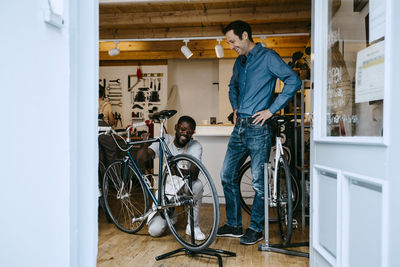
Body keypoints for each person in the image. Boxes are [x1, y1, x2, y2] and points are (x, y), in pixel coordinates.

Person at [217, 20, 301, 245]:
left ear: (245, 36)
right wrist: (235, 107)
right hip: (240, 127)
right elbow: (232, 87)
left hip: (258, 129)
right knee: (227, 175)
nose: (231, 45)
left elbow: (294, 81)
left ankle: (256, 228)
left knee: (257, 183)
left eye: (233, 41)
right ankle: (234, 225)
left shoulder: (268, 57)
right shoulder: (239, 62)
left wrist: (271, 110)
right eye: (229, 42)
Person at [136, 115, 206, 241]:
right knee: (154, 231)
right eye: (183, 129)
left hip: (185, 186)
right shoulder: (165, 140)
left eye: (190, 132)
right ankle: (171, 213)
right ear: (176, 127)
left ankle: (193, 226)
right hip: (167, 189)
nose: (186, 133)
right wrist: (146, 143)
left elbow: (194, 173)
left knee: (197, 185)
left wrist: (173, 169)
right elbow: (141, 159)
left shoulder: (195, 146)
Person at [98, 85, 117, 168]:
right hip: (104, 131)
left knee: (99, 158)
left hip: (92, 132)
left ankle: (101, 180)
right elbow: (112, 122)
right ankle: (114, 180)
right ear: (103, 94)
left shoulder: (88, 103)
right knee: (111, 155)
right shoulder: (106, 104)